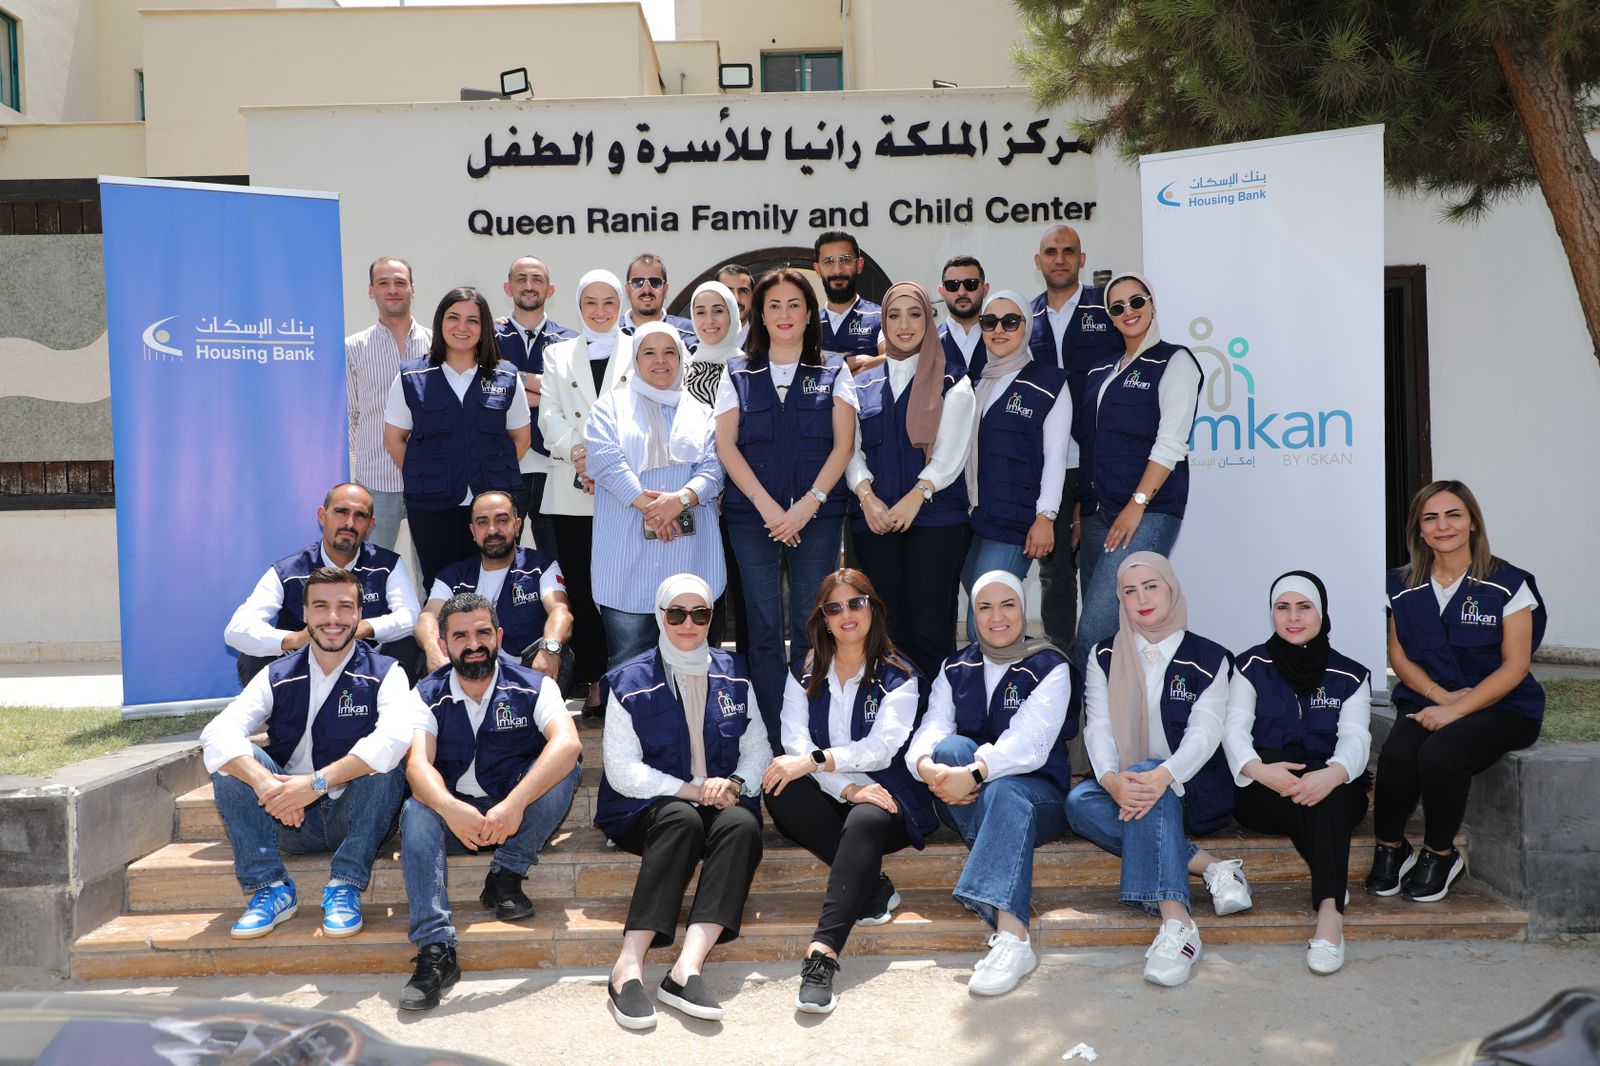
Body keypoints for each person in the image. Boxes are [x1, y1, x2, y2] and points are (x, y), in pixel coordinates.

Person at [1065, 553, 1252, 989]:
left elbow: (1205, 735)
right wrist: (1110, 779)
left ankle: (1177, 920)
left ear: (1172, 589)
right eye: (1129, 591)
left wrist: (1161, 775)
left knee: (1149, 772)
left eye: (1151, 586)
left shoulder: (1210, 657)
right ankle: (1212, 867)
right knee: (1078, 803)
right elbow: (1099, 726)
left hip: (1192, 788)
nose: (1142, 598)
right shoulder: (1104, 654)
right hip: (1129, 789)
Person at [201, 566, 413, 941]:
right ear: (304, 614)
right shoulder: (277, 674)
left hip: (356, 816)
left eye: (344, 607)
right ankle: (271, 888)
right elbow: (216, 733)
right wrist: (266, 783)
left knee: (387, 765)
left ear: (359, 614)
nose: (333, 618)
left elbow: (393, 738)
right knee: (231, 760)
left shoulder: (387, 672)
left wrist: (315, 785)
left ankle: (345, 884)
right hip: (287, 816)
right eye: (320, 606)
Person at [596, 574, 768, 1030]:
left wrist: (734, 783)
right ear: (660, 616)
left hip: (717, 800)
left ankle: (685, 969)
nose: (688, 624)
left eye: (700, 614)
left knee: (743, 825)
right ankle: (627, 966)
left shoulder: (735, 672)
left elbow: (758, 749)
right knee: (681, 820)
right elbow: (622, 771)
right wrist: (694, 790)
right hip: (646, 810)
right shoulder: (628, 681)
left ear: (712, 618)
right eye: (676, 614)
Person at [398, 592, 584, 1010]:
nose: (474, 644)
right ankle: (435, 950)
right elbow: (417, 766)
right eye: (460, 636)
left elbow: (568, 743)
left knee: (565, 768)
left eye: (483, 632)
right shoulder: (425, 693)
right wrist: (451, 808)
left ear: (499, 635)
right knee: (416, 810)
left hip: (513, 816)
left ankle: (506, 873)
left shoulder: (534, 685)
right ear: (443, 645)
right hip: (455, 819)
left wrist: (515, 804)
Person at [763, 569, 937, 1014]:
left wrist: (826, 767)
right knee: (779, 788)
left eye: (856, 603)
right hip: (840, 792)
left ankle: (822, 954)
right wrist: (847, 788)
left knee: (865, 815)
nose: (846, 614)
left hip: (888, 798)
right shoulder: (803, 671)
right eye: (834, 607)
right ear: (823, 619)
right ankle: (871, 887)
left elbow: (880, 750)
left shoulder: (899, 675)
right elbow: (795, 745)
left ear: (872, 608)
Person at [1367, 480, 1546, 903]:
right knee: (1396, 756)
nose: (1442, 526)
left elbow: (1516, 665)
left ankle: (1440, 855)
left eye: (1453, 515)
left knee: (1441, 753)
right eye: (1430, 518)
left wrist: (1457, 709)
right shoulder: (1401, 584)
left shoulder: (1507, 583)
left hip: (1505, 705)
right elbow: (1399, 656)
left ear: (1472, 523)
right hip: (1429, 697)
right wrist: (1440, 698)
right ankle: (1391, 847)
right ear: (1419, 530)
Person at [903, 570, 1076, 997]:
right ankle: (1003, 881)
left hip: (1039, 800)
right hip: (966, 797)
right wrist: (925, 767)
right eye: (985, 607)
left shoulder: (1050, 665)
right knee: (949, 748)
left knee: (1003, 789)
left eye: (1007, 605)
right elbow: (932, 726)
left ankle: (1013, 937)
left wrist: (974, 774)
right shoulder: (955, 667)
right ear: (974, 616)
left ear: (1023, 610)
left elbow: (1030, 746)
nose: (997, 617)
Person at [715, 267, 859, 752]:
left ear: (810, 314)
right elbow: (726, 446)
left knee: (811, 625)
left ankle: (808, 730)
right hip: (751, 519)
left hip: (818, 519)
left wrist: (806, 507)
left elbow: (843, 445)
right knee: (762, 629)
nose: (784, 314)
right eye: (773, 305)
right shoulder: (736, 372)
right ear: (758, 314)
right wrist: (770, 508)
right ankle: (772, 738)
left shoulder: (834, 369)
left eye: (794, 304)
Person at [1224, 570, 1372, 975]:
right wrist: (1260, 770)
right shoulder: (1249, 665)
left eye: (1304, 607)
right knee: (1272, 754)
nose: (1293, 617)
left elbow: (1356, 738)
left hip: (1333, 797)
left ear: (1321, 612)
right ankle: (1331, 881)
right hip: (1263, 798)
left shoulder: (1351, 675)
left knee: (1330, 776)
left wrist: (1333, 774)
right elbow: (1234, 731)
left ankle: (1329, 914)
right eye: (1282, 607)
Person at [845, 281, 974, 681]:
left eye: (915, 314)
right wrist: (867, 498)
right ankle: (895, 711)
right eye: (894, 315)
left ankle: (935, 711)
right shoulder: (860, 381)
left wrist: (916, 496)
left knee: (930, 625)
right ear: (883, 322)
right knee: (886, 626)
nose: (904, 325)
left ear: (929, 320)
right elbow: (848, 448)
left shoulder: (954, 379)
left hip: (936, 520)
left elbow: (951, 453)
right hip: (875, 520)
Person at [1075, 272, 1201, 674]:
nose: (1128, 311)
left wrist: (1138, 504)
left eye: (1136, 301)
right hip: (1096, 515)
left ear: (1152, 303)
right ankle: (1118, 709)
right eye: (1117, 307)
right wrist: (1080, 510)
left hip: (1147, 512)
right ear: (1110, 318)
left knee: (1093, 629)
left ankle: (1074, 713)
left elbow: (1171, 443)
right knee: (1111, 639)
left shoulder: (1175, 361)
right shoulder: (1100, 371)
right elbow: (1088, 445)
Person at [586, 322, 726, 666]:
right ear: (635, 359)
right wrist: (656, 509)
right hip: (626, 566)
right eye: (649, 352)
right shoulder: (609, 407)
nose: (660, 360)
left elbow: (715, 469)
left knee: (692, 668)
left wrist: (679, 501)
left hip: (691, 559)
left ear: (681, 359)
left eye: (669, 352)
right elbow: (605, 462)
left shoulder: (703, 412)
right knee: (628, 667)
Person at [383, 287, 531, 591]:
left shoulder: (505, 376)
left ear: (484, 327)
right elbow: (394, 439)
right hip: (432, 505)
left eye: (472, 320)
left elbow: (521, 437)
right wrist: (426, 471)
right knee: (441, 584)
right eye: (453, 318)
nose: (462, 327)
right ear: (440, 322)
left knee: (495, 585)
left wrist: (485, 471)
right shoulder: (412, 376)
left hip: (491, 506)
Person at [538, 269, 636, 713]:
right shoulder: (557, 354)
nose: (600, 311)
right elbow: (549, 416)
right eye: (590, 302)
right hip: (572, 487)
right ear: (578, 307)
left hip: (625, 485)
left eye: (609, 302)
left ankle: (630, 674)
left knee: (626, 585)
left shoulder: (640, 346)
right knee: (582, 587)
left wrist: (604, 461)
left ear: (620, 305)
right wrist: (581, 454)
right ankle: (597, 680)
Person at [224, 482, 420, 686]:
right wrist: (297, 639)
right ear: (322, 515)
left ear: (371, 524)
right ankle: (286, 708)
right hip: (304, 670)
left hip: (364, 670)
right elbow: (237, 629)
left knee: (408, 645)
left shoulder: (387, 564)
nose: (350, 523)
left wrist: (364, 628)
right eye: (341, 512)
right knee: (253, 657)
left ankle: (383, 706)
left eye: (360, 516)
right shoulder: (288, 571)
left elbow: (412, 616)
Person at [959, 290, 1070, 639]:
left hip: (1015, 522)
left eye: (1010, 321)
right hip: (972, 519)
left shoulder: (1050, 383)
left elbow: (1056, 456)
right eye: (989, 322)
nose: (999, 330)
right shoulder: (977, 382)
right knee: (992, 623)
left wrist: (1045, 517)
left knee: (983, 625)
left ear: (1026, 326)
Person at [414, 490, 573, 685]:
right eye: (482, 522)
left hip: (525, 675)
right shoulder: (452, 576)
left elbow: (560, 611)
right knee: (428, 651)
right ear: (473, 531)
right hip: (469, 671)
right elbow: (427, 618)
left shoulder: (541, 566)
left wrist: (550, 647)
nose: (492, 530)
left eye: (502, 520)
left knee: (559, 651)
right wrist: (432, 649)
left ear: (517, 526)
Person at [345, 256, 431, 551]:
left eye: (400, 283)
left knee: (432, 569)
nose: (392, 290)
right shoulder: (353, 348)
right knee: (372, 566)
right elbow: (351, 413)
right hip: (376, 481)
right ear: (372, 291)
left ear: (412, 289)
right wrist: (365, 457)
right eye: (383, 283)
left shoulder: (437, 346)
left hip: (430, 481)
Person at [493, 255, 577, 555]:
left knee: (557, 559)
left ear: (550, 290)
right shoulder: (488, 338)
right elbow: (487, 393)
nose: (529, 285)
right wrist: (546, 392)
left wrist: (513, 379)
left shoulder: (569, 342)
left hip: (553, 464)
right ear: (508, 287)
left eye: (537, 279)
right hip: (504, 461)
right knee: (499, 554)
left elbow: (572, 395)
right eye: (521, 279)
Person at [683, 279, 748, 654]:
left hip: (739, 497)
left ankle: (740, 673)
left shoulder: (748, 366)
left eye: (718, 310)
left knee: (741, 588)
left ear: (734, 314)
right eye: (700, 312)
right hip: (692, 497)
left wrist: (726, 483)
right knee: (697, 589)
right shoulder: (681, 367)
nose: (709, 320)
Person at [814, 230, 881, 370]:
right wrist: (861, 362)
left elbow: (893, 360)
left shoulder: (881, 318)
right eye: (828, 261)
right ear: (818, 269)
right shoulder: (809, 325)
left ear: (859, 265)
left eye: (845, 260)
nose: (837, 270)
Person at [619, 252, 697, 349]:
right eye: (638, 282)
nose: (646, 290)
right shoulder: (612, 332)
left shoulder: (689, 333)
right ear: (627, 290)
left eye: (655, 282)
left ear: (666, 289)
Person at [936, 254, 987, 374]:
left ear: (985, 290)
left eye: (971, 284)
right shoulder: (928, 342)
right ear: (942, 292)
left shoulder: (1002, 337)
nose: (962, 292)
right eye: (952, 285)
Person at [716, 262, 755, 349]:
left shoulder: (769, 342)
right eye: (728, 291)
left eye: (743, 291)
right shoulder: (694, 344)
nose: (736, 299)